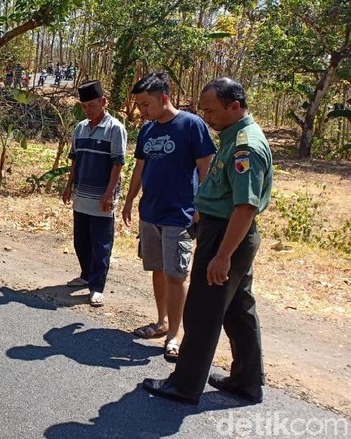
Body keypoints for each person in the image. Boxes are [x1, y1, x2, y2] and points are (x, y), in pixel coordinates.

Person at [143, 77, 273, 405]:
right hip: (222, 230)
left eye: (212, 111)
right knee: (238, 309)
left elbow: (245, 206)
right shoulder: (232, 137)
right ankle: (247, 380)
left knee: (202, 311)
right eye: (203, 111)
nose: (207, 117)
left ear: (235, 106)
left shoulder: (246, 145)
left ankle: (185, 385)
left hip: (228, 235)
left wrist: (223, 254)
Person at [122, 72, 215, 362]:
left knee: (177, 275)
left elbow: (206, 167)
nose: (142, 110)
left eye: (146, 104)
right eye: (138, 104)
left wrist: (201, 205)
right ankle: (162, 322)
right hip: (150, 212)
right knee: (158, 270)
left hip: (179, 213)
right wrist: (129, 201)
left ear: (164, 98)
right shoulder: (148, 130)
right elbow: (139, 168)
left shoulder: (191, 125)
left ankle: (176, 334)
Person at [61, 80, 127, 307]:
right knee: (81, 239)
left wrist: (109, 194)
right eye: (85, 106)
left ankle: (97, 287)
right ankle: (86, 274)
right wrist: (69, 185)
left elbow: (118, 163)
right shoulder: (80, 128)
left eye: (92, 105)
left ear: (103, 102)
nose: (88, 110)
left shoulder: (115, 128)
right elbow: (75, 159)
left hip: (102, 197)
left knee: (101, 243)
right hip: (82, 194)